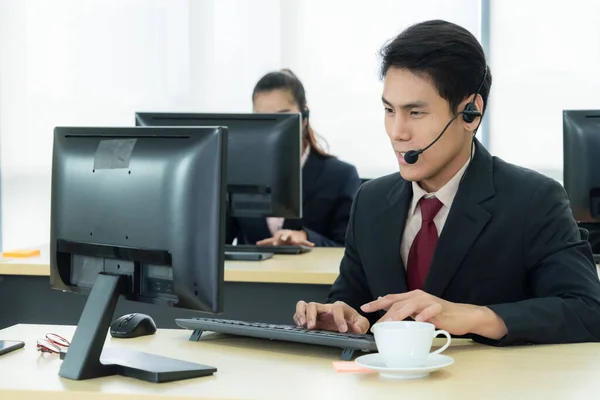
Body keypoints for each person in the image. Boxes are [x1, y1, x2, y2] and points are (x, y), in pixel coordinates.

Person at [293, 20, 600, 345]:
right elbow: (355, 303)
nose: (397, 132)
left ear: (471, 113)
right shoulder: (370, 201)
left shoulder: (534, 200)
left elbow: (587, 311)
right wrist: (342, 317)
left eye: (415, 113)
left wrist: (474, 316)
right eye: (389, 110)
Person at [226, 69, 362, 248]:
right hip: (251, 276)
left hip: (309, 276)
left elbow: (351, 251)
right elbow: (218, 243)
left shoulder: (340, 177)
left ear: (304, 118)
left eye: (283, 117)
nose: (273, 130)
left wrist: (306, 237)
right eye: (262, 119)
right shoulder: (239, 175)